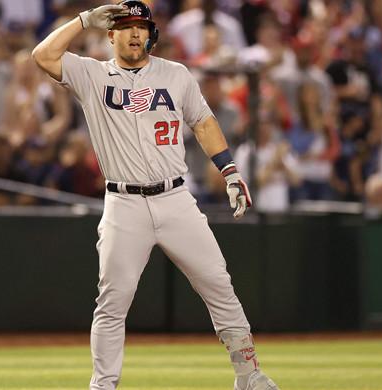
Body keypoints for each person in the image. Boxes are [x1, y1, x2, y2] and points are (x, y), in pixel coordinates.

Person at [30, 2, 279, 390]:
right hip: (123, 203)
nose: (134, 33)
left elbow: (203, 121)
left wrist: (229, 170)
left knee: (218, 284)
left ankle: (249, 375)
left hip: (175, 197)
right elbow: (43, 55)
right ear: (110, 34)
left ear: (151, 34)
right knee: (113, 302)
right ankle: (103, 384)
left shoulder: (175, 74)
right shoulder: (92, 74)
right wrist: (82, 21)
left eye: (141, 26)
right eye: (125, 26)